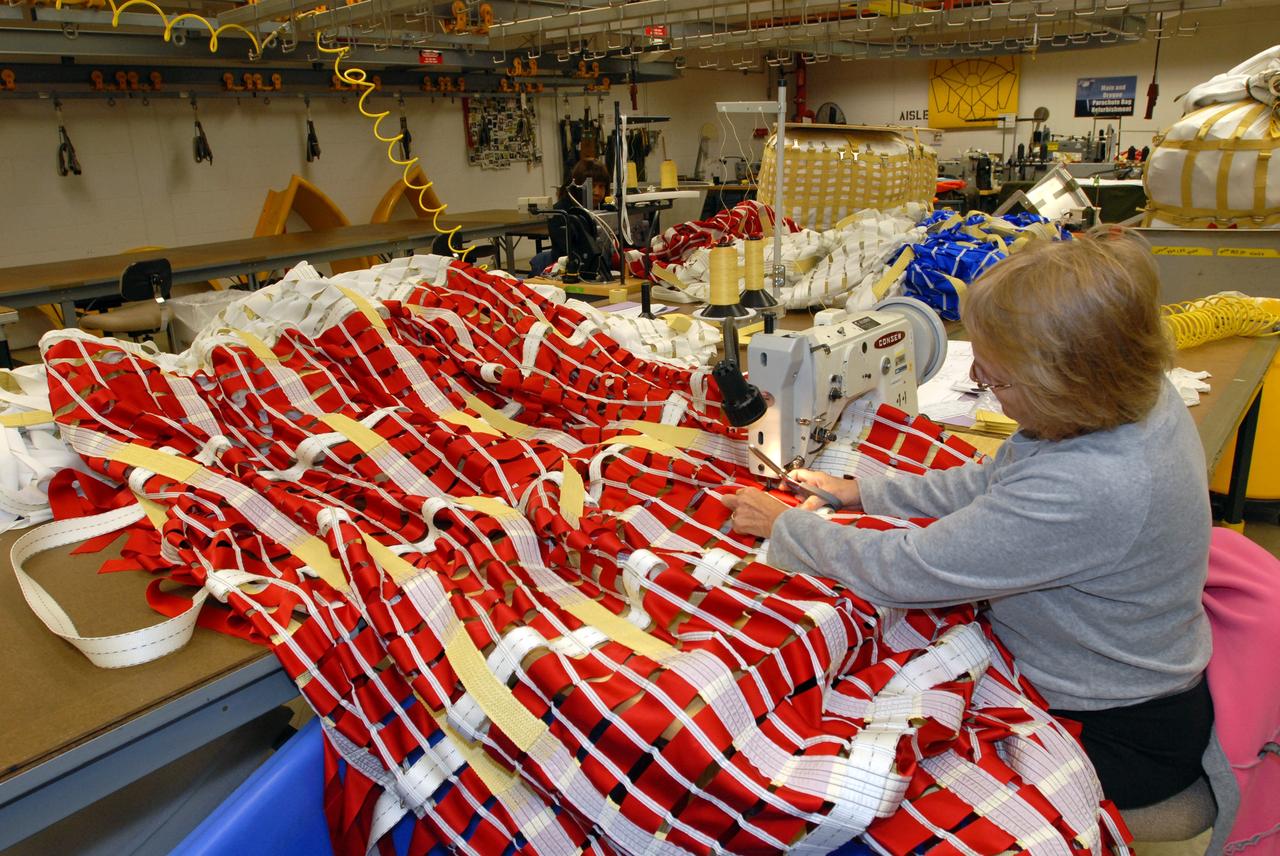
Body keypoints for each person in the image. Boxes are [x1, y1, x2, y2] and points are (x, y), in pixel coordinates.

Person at [723, 230, 1215, 819]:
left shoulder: (1098, 482)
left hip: (1116, 731)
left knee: (865, 791)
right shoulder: (1128, 395)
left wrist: (786, 527)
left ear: (1067, 382)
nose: (986, 386)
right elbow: (999, 478)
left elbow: (911, 570)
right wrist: (863, 491)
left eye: (996, 380)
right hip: (1113, 677)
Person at [529, 159, 611, 277]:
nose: (597, 192)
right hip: (568, 274)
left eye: (601, 186)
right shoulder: (560, 213)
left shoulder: (604, 211)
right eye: (592, 186)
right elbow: (574, 252)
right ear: (578, 185)